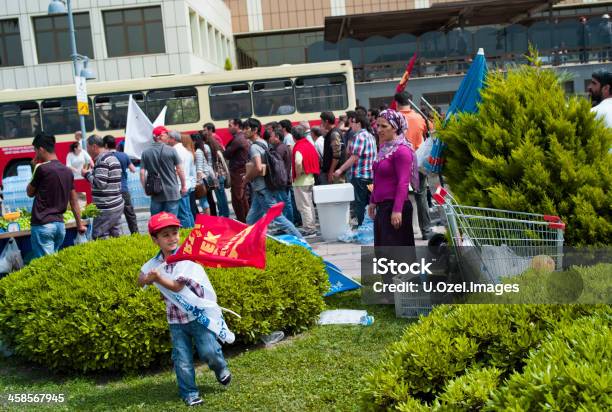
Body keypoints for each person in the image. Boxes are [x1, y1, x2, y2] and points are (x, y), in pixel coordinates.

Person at [137, 212, 231, 407]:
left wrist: (157, 278)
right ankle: (189, 393)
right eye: (165, 235)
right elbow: (140, 279)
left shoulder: (187, 258)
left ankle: (220, 367)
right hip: (176, 322)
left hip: (198, 316)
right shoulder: (154, 264)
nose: (172, 238)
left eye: (174, 233)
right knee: (182, 360)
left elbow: (177, 287)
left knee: (209, 352)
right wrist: (146, 278)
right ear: (155, 240)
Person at [27, 133, 86, 258]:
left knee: (46, 267)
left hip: (43, 225)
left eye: (36, 151)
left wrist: (33, 168)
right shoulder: (67, 171)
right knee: (53, 262)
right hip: (59, 226)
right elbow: (74, 201)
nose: (35, 154)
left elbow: (30, 193)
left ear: (41, 149)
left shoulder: (41, 169)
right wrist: (79, 224)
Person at [243, 118, 304, 239]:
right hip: (262, 188)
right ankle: (249, 243)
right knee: (250, 219)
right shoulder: (264, 143)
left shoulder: (254, 147)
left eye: (246, 128)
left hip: (262, 189)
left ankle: (300, 239)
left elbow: (259, 167)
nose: (244, 131)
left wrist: (246, 177)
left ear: (255, 130)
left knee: (278, 218)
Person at [368, 109, 419, 247]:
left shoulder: (402, 150)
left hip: (395, 207)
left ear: (395, 127)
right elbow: (377, 179)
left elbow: (403, 183)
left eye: (384, 126)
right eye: (377, 125)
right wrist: (372, 200)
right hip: (383, 207)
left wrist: (397, 210)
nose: (379, 130)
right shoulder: (385, 148)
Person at [395, 91, 432, 239]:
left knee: (400, 196)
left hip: (399, 162)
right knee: (421, 196)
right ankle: (426, 231)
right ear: (410, 102)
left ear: (396, 103)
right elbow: (428, 136)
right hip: (418, 161)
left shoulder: (395, 118)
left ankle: (402, 232)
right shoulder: (420, 118)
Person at [334, 112, 377, 226]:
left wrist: (340, 170)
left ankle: (362, 226)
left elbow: (354, 156)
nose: (350, 125)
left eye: (352, 122)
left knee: (360, 204)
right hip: (370, 176)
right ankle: (372, 227)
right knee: (370, 202)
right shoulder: (370, 135)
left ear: (358, 123)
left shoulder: (359, 136)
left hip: (360, 176)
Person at [82, 134, 124, 239]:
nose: (87, 150)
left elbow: (100, 184)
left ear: (94, 147)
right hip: (116, 204)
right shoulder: (112, 158)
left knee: (99, 236)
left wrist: (86, 174)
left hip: (106, 207)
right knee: (116, 236)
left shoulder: (102, 161)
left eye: (87, 147)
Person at [140, 126, 186, 217]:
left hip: (155, 191)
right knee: (171, 220)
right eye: (166, 134)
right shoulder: (172, 150)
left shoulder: (145, 152)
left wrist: (145, 188)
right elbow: (180, 170)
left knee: (157, 221)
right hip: (172, 192)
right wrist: (184, 186)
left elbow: (142, 173)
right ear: (160, 136)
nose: (168, 137)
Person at [103, 135, 139, 234]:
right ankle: (135, 234)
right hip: (123, 189)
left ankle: (116, 236)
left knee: (113, 215)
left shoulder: (105, 158)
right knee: (130, 214)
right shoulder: (124, 155)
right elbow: (133, 169)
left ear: (105, 145)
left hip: (111, 192)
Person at [292, 125, 319, 237]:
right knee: (309, 205)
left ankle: (309, 228)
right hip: (310, 179)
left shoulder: (298, 147)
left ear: (294, 137)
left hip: (301, 182)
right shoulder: (308, 144)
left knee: (303, 206)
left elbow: (298, 162)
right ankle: (311, 225)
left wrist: (297, 174)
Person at [263, 124, 294, 223]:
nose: (270, 138)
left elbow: (275, 165)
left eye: (272, 136)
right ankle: (288, 223)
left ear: (277, 137)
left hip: (281, 180)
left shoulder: (279, 149)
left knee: (284, 203)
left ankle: (288, 223)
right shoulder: (281, 147)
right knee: (285, 202)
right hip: (284, 179)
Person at [167, 131, 196, 228]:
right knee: (188, 211)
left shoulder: (175, 151)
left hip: (179, 185)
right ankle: (192, 232)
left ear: (173, 139)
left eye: (168, 138)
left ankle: (187, 234)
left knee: (183, 213)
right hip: (187, 184)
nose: (167, 140)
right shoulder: (186, 151)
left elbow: (177, 170)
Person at [223, 119, 250, 222]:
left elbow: (227, 153)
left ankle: (244, 222)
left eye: (230, 125)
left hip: (239, 172)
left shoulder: (238, 139)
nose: (228, 128)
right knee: (239, 198)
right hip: (238, 172)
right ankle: (244, 221)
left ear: (237, 125)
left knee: (239, 198)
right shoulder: (239, 138)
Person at [203, 131, 230, 217]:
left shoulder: (210, 152)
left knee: (220, 198)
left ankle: (224, 214)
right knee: (221, 197)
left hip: (216, 176)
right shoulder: (217, 150)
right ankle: (224, 213)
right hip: (221, 175)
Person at [319, 111, 345, 184]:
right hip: (335, 172)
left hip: (335, 174)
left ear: (326, 121)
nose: (321, 124)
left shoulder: (334, 134)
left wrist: (331, 172)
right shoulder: (332, 132)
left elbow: (336, 156)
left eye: (322, 121)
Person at [193, 133, 215, 215]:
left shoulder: (198, 152)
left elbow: (199, 169)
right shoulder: (200, 150)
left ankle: (208, 219)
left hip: (202, 179)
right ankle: (209, 218)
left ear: (194, 141)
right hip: (204, 178)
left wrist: (198, 182)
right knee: (206, 200)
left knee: (204, 201)